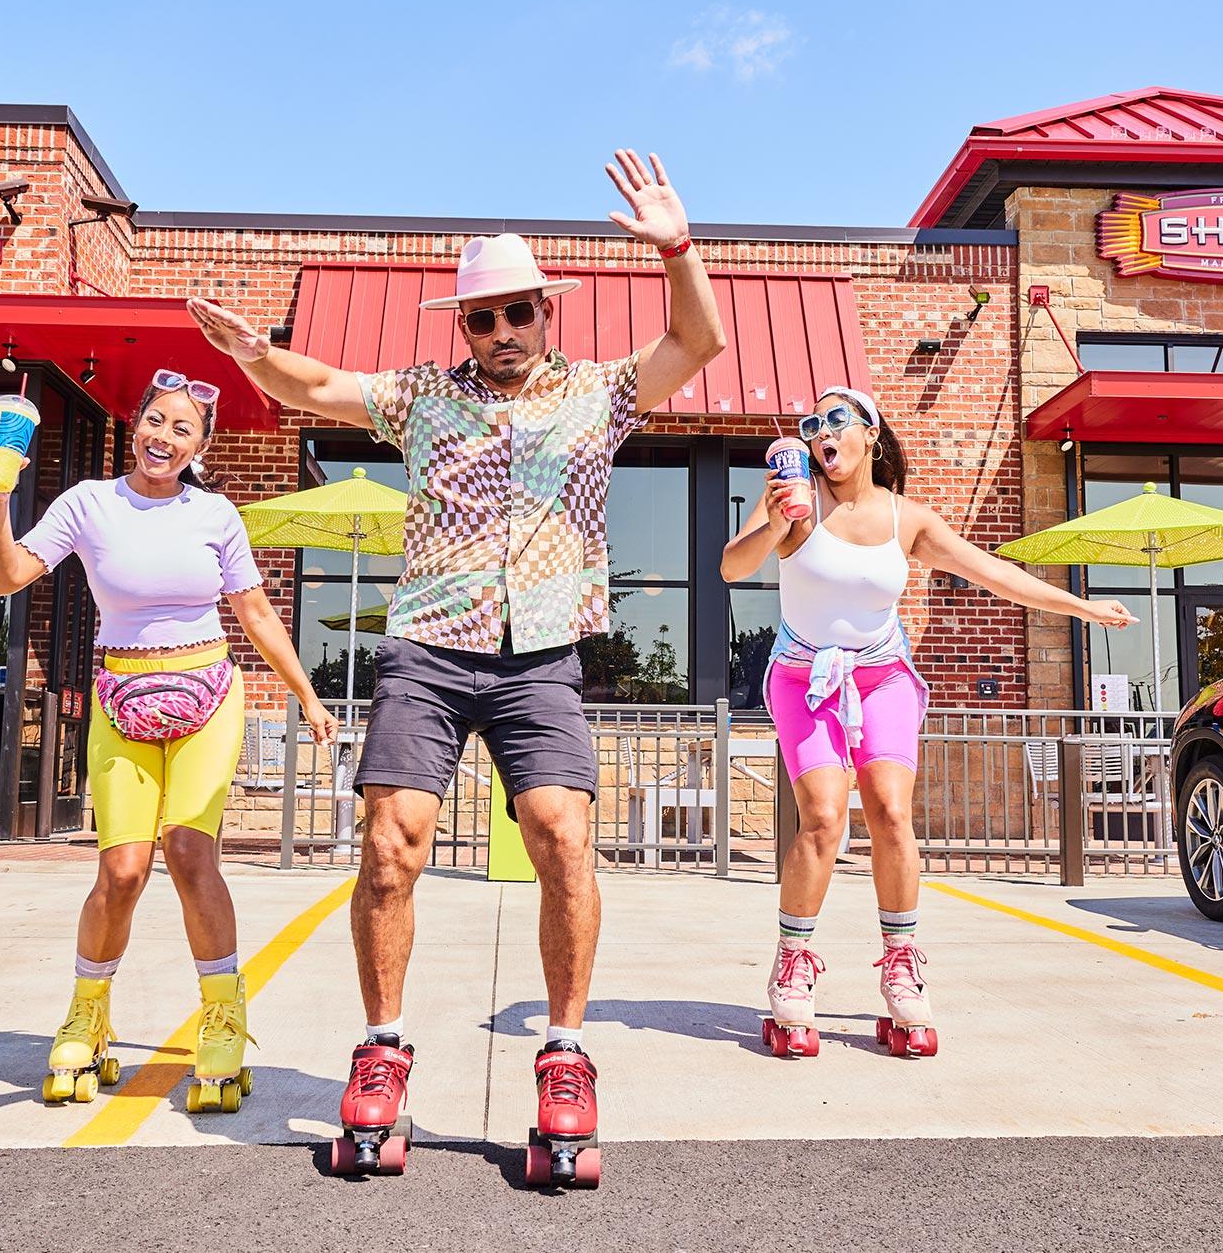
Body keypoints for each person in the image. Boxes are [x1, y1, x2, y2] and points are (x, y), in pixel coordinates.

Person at [188, 150, 725, 1182]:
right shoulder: (421, 398)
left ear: (544, 313)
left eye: (518, 312)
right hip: (429, 646)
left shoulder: (600, 394)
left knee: (564, 837)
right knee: (392, 843)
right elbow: (317, 385)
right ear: (463, 327)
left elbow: (696, 340)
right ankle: (383, 1050)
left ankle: (565, 1056)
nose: (502, 332)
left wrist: (676, 248)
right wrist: (258, 354)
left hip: (541, 657)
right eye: (482, 318)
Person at [721, 388, 1135, 1058]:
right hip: (804, 676)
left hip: (882, 675)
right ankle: (793, 964)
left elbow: (995, 573)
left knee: (890, 812)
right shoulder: (797, 505)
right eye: (810, 425)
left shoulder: (906, 518)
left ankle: (901, 965)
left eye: (836, 421)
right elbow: (730, 568)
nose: (821, 434)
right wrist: (772, 520)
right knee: (824, 818)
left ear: (869, 434)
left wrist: (1082, 608)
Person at [0, 370, 338, 1113]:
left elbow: (257, 613)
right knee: (123, 872)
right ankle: (88, 1014)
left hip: (207, 693)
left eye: (182, 430)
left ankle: (223, 1018)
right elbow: (8, 577)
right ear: (136, 423)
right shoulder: (87, 504)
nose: (162, 438)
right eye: (154, 421)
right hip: (121, 697)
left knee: (190, 852)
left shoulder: (215, 516)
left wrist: (306, 693)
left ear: (199, 446)